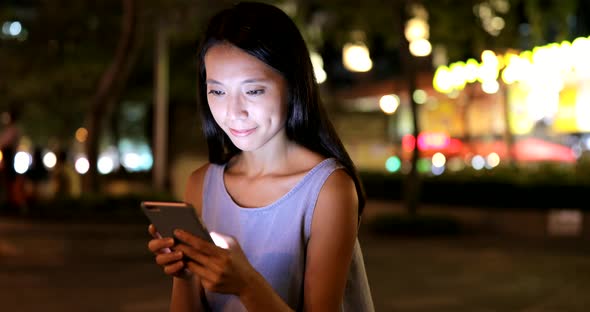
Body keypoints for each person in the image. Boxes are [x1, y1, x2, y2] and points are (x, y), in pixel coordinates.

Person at [147, 2, 374, 311]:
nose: (233, 112)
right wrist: (185, 270)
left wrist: (245, 284)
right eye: (217, 91)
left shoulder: (328, 189)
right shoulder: (201, 184)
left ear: (293, 85)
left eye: (253, 91)